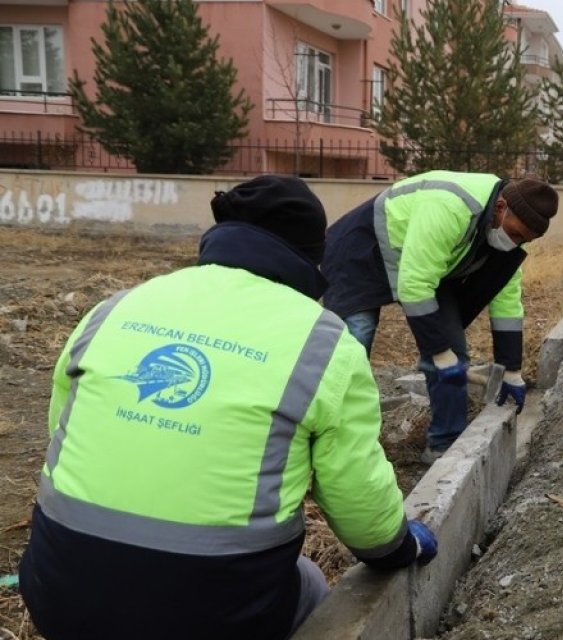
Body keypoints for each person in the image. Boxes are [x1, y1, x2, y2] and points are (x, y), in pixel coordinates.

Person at [18, 176, 438, 640]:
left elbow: (63, 428)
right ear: (314, 255)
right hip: (216, 613)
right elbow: (354, 489)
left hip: (55, 594)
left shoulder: (114, 309)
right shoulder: (323, 343)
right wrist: (395, 546)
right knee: (313, 583)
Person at [321, 171, 558, 464]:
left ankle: (444, 448)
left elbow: (507, 303)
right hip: (362, 253)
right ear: (500, 208)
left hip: (430, 265)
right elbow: (414, 285)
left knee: (453, 349)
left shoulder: (503, 235)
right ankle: (332, 439)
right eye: (517, 234)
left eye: (526, 240)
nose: (516, 243)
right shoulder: (451, 206)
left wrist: (510, 369)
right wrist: (438, 353)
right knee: (354, 344)